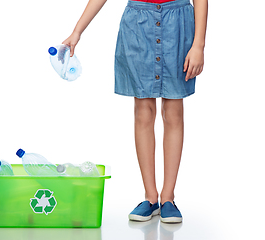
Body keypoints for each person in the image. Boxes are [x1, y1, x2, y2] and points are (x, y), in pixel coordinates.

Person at [63, 0, 208, 223]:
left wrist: (199, 45)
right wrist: (77, 31)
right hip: (138, 26)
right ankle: (150, 198)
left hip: (178, 23)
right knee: (143, 112)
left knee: (174, 111)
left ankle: (168, 198)